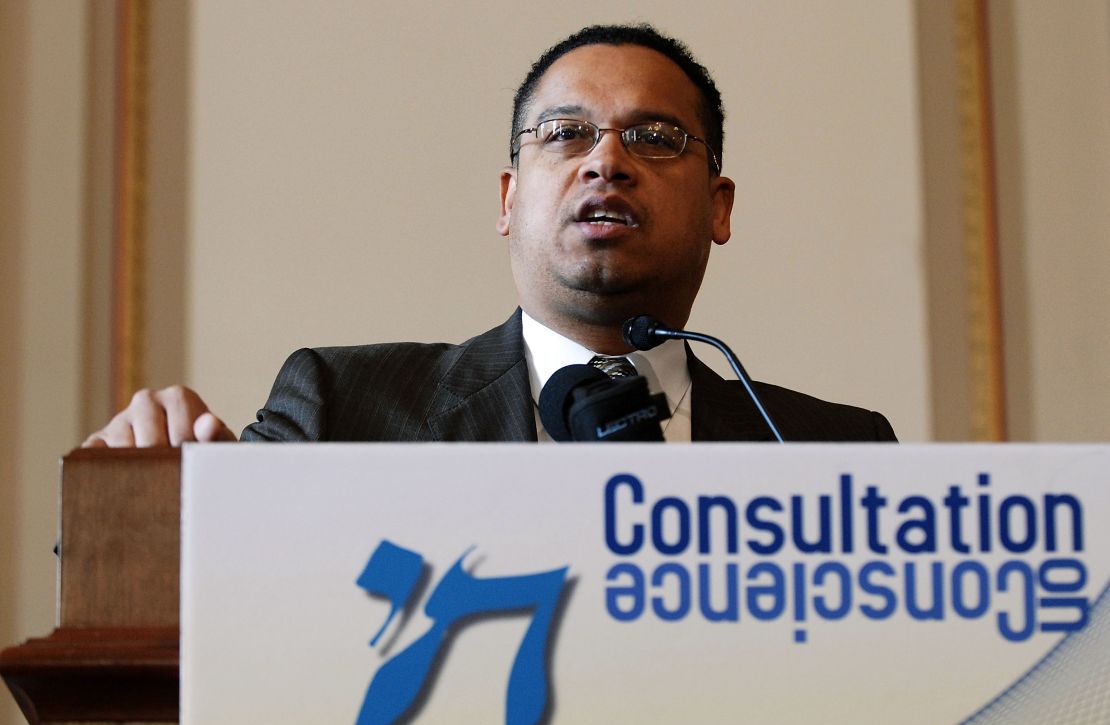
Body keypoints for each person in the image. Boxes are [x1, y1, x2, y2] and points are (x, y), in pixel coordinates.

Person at [83, 24, 896, 448]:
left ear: (719, 207)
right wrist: (157, 482)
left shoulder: (830, 447)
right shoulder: (345, 408)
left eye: (654, 138)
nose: (606, 161)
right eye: (566, 133)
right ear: (509, 199)